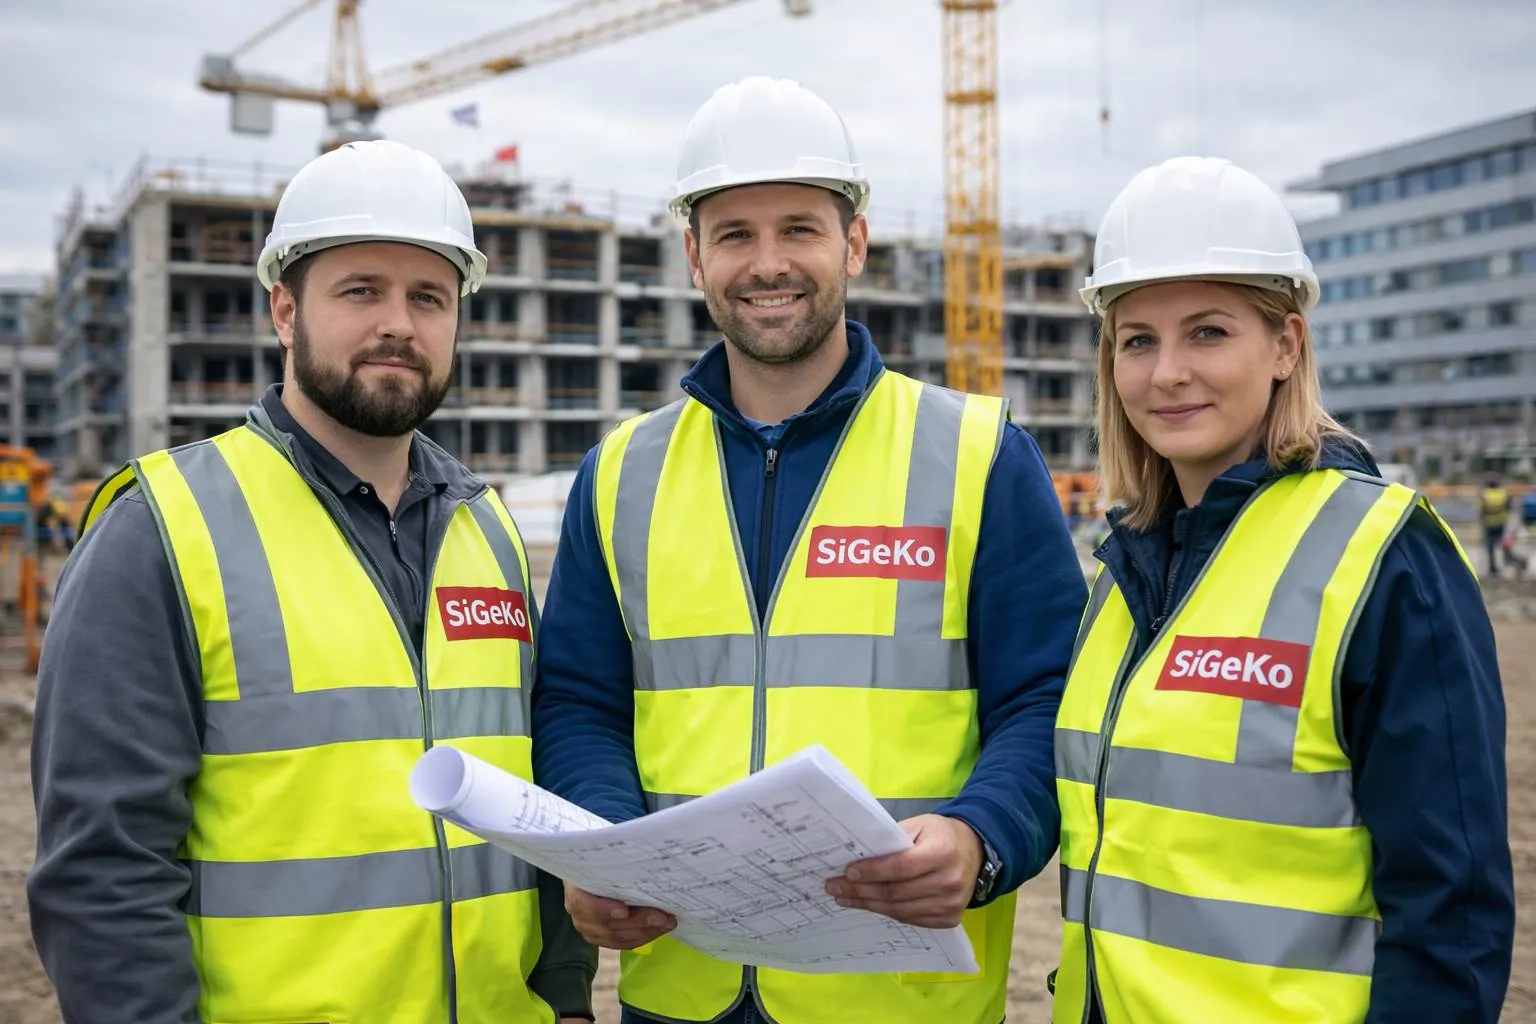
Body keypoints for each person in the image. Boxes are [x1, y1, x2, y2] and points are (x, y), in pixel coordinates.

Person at [528, 75, 1087, 1024]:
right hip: (685, 985)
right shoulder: (621, 472)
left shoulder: (979, 455)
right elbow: (580, 701)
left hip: (901, 996)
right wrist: (608, 844)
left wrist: (980, 835)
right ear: (695, 257)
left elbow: (1047, 701)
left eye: (799, 228)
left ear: (854, 245)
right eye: (736, 234)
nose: (768, 262)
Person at [28, 140, 596, 1024]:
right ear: (285, 312)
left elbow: (534, 811)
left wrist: (563, 1001)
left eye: (429, 297)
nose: (399, 324)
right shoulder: (163, 530)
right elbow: (104, 870)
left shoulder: (488, 532)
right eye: (361, 290)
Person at [1050, 155, 1514, 1023]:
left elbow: (1449, 913)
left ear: (1286, 345)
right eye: (1138, 339)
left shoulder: (1385, 558)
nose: (1167, 372)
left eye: (1209, 332)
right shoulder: (1124, 575)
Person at [1480, 474, 1511, 577]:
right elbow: (1508, 507)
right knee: (1504, 545)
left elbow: (1482, 510)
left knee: (1490, 547)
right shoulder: (1503, 493)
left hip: (1489, 524)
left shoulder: (1484, 494)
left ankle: (1493, 568)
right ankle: (1508, 561)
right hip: (1501, 523)